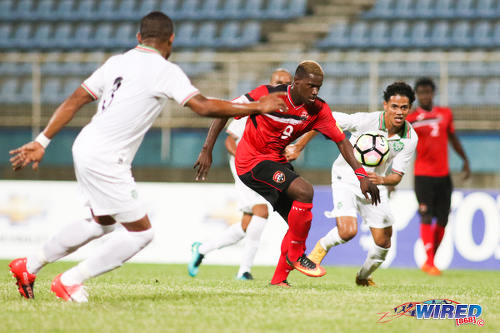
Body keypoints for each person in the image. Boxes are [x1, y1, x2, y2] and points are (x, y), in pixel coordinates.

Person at [7, 11, 286, 302]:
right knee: (141, 234)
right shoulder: (164, 70)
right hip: (106, 157)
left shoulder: (117, 62)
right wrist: (257, 107)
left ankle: (29, 265)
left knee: (101, 222)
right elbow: (202, 106)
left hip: (86, 145)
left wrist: (42, 140)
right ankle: (69, 281)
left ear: (139, 37)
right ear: (171, 40)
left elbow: (75, 99)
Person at [192, 60, 380, 287]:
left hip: (277, 163)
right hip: (251, 162)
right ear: (296, 82)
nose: (315, 91)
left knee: (297, 221)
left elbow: (342, 142)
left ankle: (279, 280)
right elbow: (224, 111)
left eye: (318, 87)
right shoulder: (266, 94)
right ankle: (297, 254)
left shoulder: (318, 109)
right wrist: (207, 150)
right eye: (311, 86)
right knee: (305, 191)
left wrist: (361, 176)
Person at [285, 82, 418, 286]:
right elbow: (323, 119)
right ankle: (314, 255)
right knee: (347, 231)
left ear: (409, 109)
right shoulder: (366, 121)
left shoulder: (409, 138)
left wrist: (381, 180)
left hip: (374, 187)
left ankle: (363, 276)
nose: (399, 112)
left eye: (404, 107)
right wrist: (299, 145)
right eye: (394, 106)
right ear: (385, 105)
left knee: (383, 241)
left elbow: (397, 176)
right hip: (346, 178)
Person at [188, 69, 292, 280]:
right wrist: (244, 158)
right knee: (261, 211)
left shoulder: (286, 113)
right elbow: (229, 139)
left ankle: (201, 250)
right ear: (270, 83)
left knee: (247, 224)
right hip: (244, 165)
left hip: (263, 166)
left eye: (286, 83)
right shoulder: (255, 106)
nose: (281, 86)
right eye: (277, 82)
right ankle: (244, 271)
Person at [406, 77, 470, 276]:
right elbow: (401, 147)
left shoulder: (445, 114)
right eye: (421, 93)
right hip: (423, 175)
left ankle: (430, 260)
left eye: (428, 92)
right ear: (417, 96)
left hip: (443, 175)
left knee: (443, 219)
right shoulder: (411, 120)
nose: (425, 96)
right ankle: (430, 262)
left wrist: (465, 159)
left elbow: (453, 138)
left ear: (433, 93)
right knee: (426, 215)